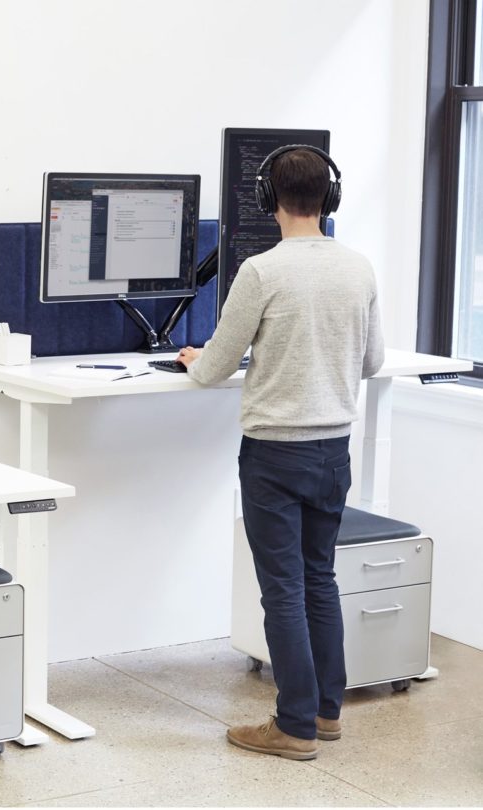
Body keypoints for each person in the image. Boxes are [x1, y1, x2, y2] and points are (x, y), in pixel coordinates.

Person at [177, 146, 384, 761]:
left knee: (284, 590)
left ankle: (292, 726)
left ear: (268, 201)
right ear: (330, 198)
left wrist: (197, 358)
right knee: (318, 579)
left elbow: (213, 369)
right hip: (333, 451)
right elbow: (372, 362)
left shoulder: (262, 272)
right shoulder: (360, 268)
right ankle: (325, 713)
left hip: (274, 455)